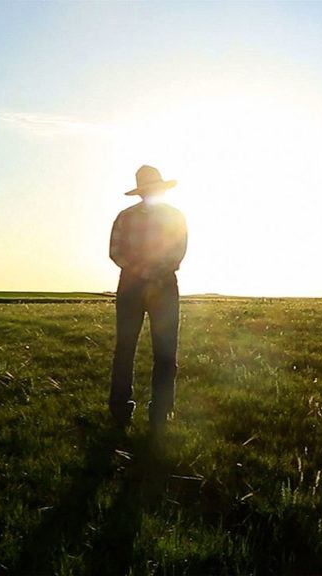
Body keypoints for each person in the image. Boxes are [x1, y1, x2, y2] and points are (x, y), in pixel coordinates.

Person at [108, 165, 188, 434]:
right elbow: (115, 251)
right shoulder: (126, 217)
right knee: (127, 348)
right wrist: (148, 273)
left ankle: (159, 412)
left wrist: (146, 272)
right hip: (142, 286)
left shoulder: (175, 216)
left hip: (153, 285)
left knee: (163, 352)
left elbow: (178, 251)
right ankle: (123, 410)